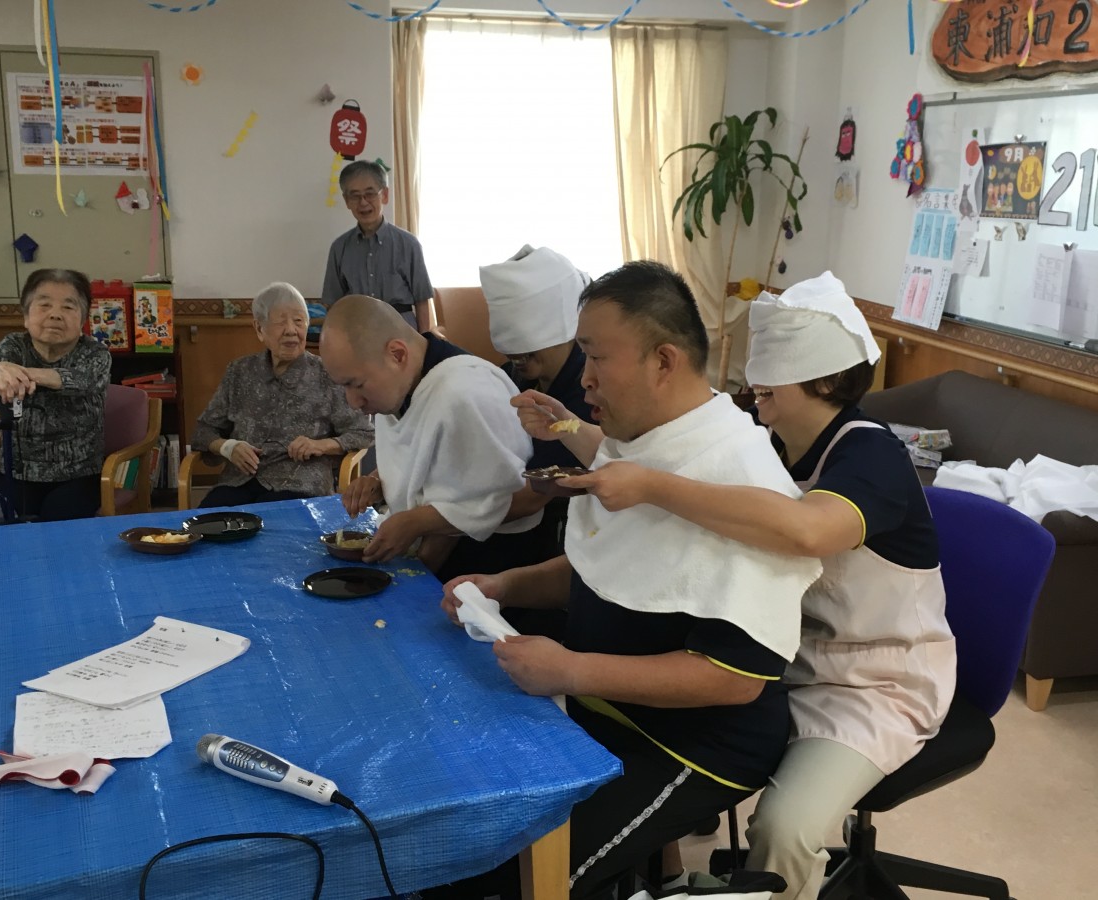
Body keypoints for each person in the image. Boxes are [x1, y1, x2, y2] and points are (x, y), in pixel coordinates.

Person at [552, 272, 957, 900]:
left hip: (873, 679)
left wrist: (650, 486)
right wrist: (567, 429)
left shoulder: (870, 456)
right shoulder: (770, 441)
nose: (754, 385)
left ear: (824, 380)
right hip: (792, 656)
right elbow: (669, 456)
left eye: (772, 376)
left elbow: (805, 530)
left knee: (786, 825)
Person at [438, 262, 821, 899]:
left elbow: (735, 679)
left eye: (595, 357)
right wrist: (504, 585)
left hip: (693, 743)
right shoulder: (645, 441)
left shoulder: (740, 477)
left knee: (521, 878)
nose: (584, 377)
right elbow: (607, 571)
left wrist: (570, 670)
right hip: (605, 703)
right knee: (465, 813)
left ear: (663, 361)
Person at [321, 295, 542, 580]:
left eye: (357, 384)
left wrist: (416, 522)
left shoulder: (464, 392)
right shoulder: (400, 382)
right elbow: (427, 463)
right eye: (344, 387)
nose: (353, 402)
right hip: (432, 547)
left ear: (397, 354)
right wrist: (378, 481)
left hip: (490, 566)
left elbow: (510, 496)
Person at [190, 283, 372, 508]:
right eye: (280, 322)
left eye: (298, 321)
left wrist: (321, 445)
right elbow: (203, 431)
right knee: (206, 522)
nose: (291, 330)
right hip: (239, 481)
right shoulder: (239, 372)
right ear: (259, 329)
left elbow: (363, 432)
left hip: (300, 484)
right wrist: (228, 447)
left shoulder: (327, 374)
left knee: (272, 522)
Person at [480, 244, 594, 562]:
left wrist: (445, 519)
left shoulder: (589, 390)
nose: (517, 359)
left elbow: (533, 496)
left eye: (528, 350)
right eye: (512, 352)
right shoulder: (511, 376)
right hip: (500, 512)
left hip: (565, 536)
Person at [0, 268, 111, 521]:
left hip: (78, 473)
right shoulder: (13, 346)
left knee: (57, 527)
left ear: (83, 320)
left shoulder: (95, 353)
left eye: (68, 307)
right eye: (44, 305)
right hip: (16, 471)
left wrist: (25, 374)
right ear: (26, 316)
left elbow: (83, 380)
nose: (55, 314)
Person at [322, 160, 434, 330]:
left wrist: (425, 340)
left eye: (370, 194)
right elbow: (333, 304)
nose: (363, 202)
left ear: (384, 195)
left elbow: (422, 300)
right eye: (355, 196)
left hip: (402, 331)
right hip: (357, 331)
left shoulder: (409, 244)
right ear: (346, 200)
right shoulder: (339, 248)